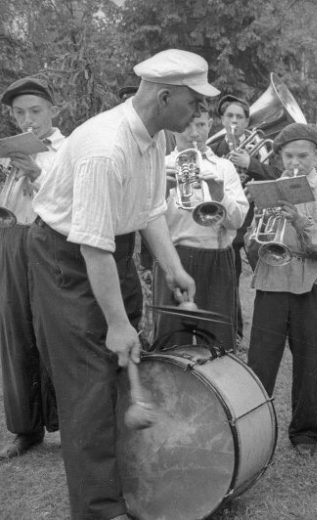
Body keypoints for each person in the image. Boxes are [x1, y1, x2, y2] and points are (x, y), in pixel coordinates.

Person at [27, 48, 213, 520]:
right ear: (165, 96)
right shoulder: (104, 148)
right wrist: (114, 322)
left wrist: (173, 268)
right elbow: (92, 246)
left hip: (112, 247)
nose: (200, 112)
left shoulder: (155, 139)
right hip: (66, 257)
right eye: (195, 102)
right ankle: (99, 509)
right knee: (89, 381)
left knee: (123, 363)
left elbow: (150, 210)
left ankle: (125, 478)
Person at [246, 123, 317, 458]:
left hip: (310, 284)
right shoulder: (269, 188)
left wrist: (299, 219)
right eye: (289, 155)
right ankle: (254, 430)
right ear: (280, 156)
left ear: (316, 155)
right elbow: (252, 246)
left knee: (307, 362)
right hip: (272, 280)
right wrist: (259, 227)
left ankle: (304, 434)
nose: (296, 161)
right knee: (261, 361)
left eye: (303, 155)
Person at [0, 77, 65, 459]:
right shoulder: (6, 152)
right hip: (11, 238)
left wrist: (37, 172)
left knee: (54, 331)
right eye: (19, 113)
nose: (28, 119)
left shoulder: (68, 149)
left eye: (35, 111)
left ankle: (69, 422)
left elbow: (72, 199)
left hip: (51, 241)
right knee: (15, 332)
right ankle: (26, 428)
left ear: (53, 110)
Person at [154, 110, 248, 349]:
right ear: (174, 128)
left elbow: (236, 221)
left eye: (200, 125)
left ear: (210, 125)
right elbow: (144, 220)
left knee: (218, 341)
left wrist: (219, 194)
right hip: (174, 257)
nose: (194, 133)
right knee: (171, 339)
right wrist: (163, 191)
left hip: (217, 258)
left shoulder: (224, 167)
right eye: (186, 126)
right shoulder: (160, 166)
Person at [209, 94, 280, 337]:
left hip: (258, 223)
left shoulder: (258, 149)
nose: (234, 121)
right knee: (228, 278)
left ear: (247, 122)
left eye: (240, 117)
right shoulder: (213, 149)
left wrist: (250, 164)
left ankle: (268, 327)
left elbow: (278, 177)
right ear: (221, 119)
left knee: (267, 277)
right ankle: (233, 330)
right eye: (229, 116)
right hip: (228, 223)